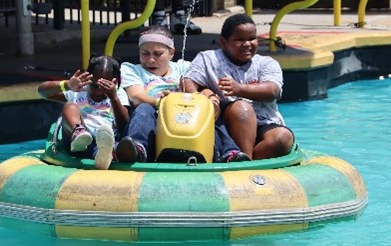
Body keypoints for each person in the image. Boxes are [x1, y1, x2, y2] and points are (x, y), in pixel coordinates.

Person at [116, 25, 249, 163]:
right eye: (145, 53)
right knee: (143, 108)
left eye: (157, 54)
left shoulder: (184, 67)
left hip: (187, 117)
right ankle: (137, 148)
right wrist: (162, 102)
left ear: (171, 53)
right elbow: (137, 97)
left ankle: (229, 153)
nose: (150, 59)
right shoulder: (131, 69)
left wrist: (211, 98)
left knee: (207, 110)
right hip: (154, 119)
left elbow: (203, 87)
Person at [183, 13, 295, 160]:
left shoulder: (266, 63)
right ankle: (242, 161)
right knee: (242, 109)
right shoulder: (208, 59)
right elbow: (187, 82)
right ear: (224, 43)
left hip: (263, 122)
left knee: (283, 139)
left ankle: (245, 159)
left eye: (251, 38)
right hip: (226, 125)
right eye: (239, 40)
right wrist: (202, 96)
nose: (247, 44)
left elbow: (273, 90)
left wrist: (239, 89)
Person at [37, 55, 130, 169]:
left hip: (104, 141)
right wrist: (66, 85)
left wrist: (113, 98)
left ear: (114, 82)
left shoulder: (118, 94)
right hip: (77, 143)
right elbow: (42, 91)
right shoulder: (79, 89)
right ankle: (79, 132)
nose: (99, 91)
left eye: (104, 87)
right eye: (94, 85)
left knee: (107, 143)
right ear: (88, 76)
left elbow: (124, 125)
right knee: (70, 106)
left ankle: (103, 155)